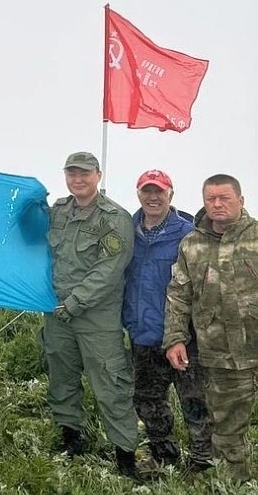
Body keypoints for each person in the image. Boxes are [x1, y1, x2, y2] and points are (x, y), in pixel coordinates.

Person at [42, 151, 140, 479]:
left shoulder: (114, 218)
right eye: (72, 173)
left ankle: (125, 457)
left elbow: (109, 270)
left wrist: (75, 303)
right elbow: (29, 238)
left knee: (111, 384)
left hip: (96, 318)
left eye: (84, 173)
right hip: (58, 315)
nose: (77, 179)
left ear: (98, 175)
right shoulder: (57, 213)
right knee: (62, 379)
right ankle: (71, 440)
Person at [164, 174, 258, 481]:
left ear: (241, 201)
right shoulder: (191, 245)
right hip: (222, 356)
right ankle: (235, 487)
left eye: (225, 198)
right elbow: (179, 294)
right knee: (227, 433)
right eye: (210, 199)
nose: (217, 204)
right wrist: (175, 339)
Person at [123, 170, 212, 471]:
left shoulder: (188, 234)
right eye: (147, 191)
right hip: (143, 336)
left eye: (159, 191)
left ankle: (202, 462)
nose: (153, 197)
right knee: (148, 401)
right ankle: (164, 456)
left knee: (195, 400)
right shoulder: (126, 233)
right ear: (138, 194)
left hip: (184, 337)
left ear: (170, 195)